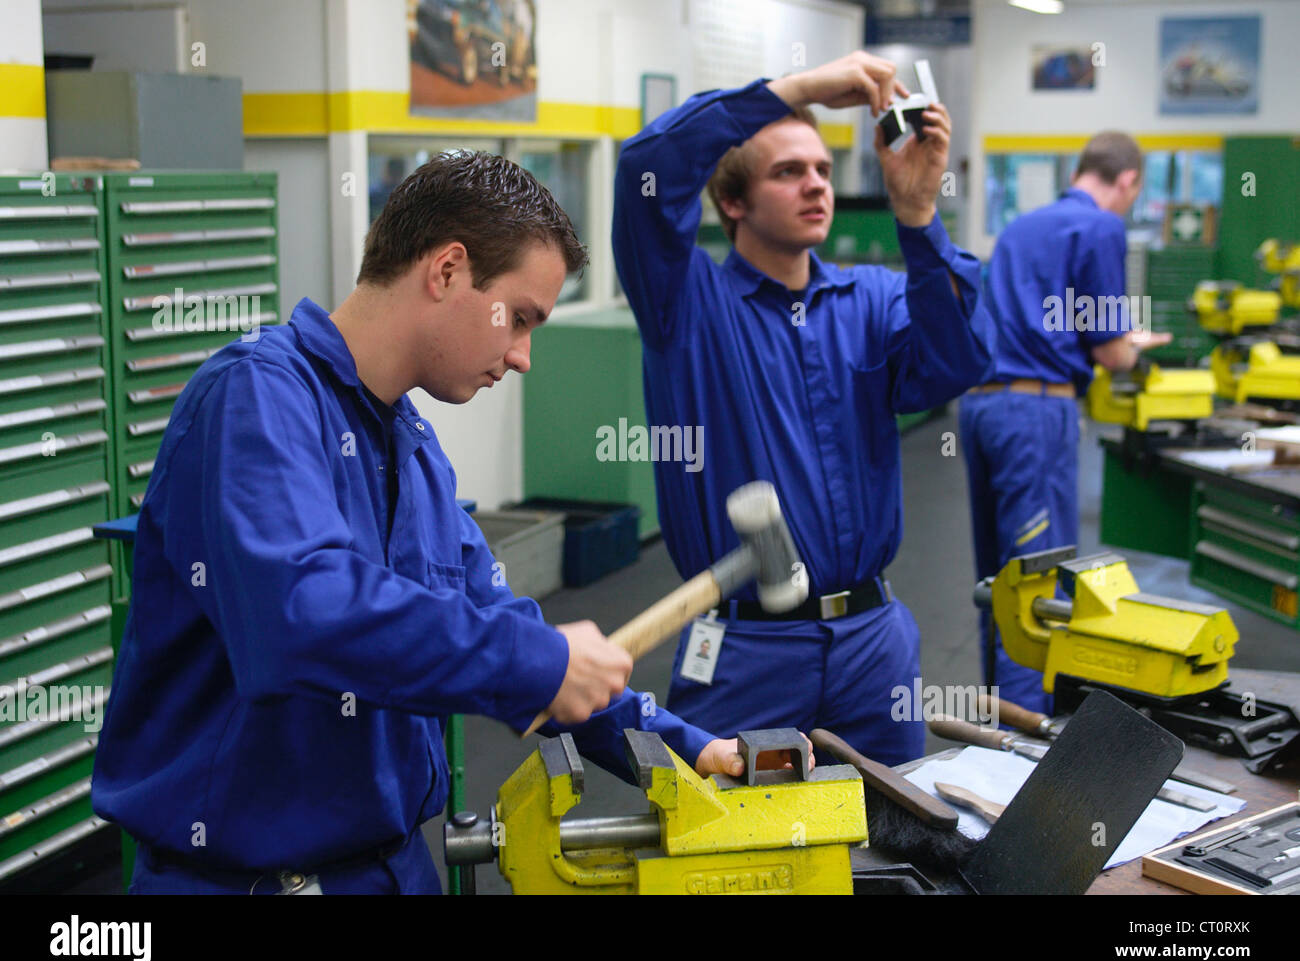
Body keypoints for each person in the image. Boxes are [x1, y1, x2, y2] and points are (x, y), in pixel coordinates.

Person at [92, 151, 791, 895]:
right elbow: (301, 612)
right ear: (448, 270)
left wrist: (687, 747)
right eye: (519, 318)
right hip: (247, 882)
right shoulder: (256, 398)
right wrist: (538, 661)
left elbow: (497, 621)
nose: (522, 356)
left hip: (391, 867)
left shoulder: (414, 451)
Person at [612, 52, 994, 766]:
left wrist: (917, 215)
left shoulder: (872, 298)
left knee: (897, 848)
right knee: (731, 862)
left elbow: (956, 363)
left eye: (821, 169)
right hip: (743, 649)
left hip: (873, 639)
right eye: (788, 172)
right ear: (732, 202)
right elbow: (644, 172)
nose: (815, 185)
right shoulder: (686, 304)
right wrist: (797, 90)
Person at [958, 131, 1172, 714]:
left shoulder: (1021, 226)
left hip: (980, 408)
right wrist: (1135, 348)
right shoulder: (1100, 226)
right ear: (1126, 180)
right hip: (1036, 411)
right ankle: (1026, 737)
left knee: (998, 582)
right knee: (1035, 582)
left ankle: (994, 717)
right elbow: (1108, 351)